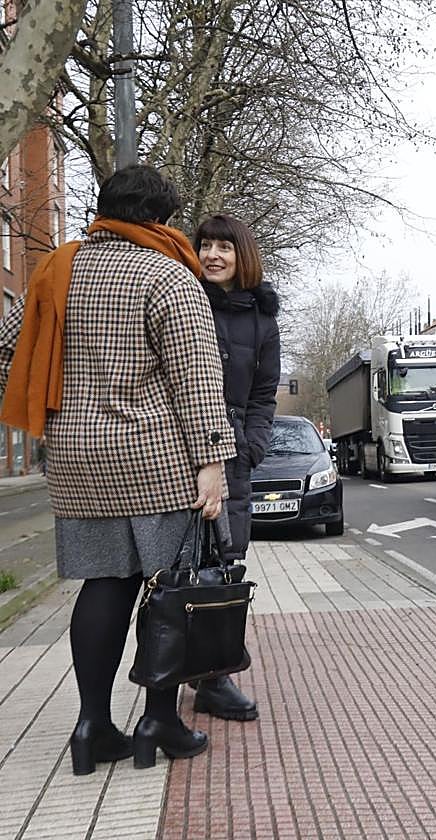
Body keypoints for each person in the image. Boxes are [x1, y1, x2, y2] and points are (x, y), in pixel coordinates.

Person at [0, 165, 236, 774]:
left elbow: (11, 346)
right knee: (169, 591)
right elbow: (197, 378)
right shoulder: (166, 275)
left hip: (76, 459)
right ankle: (159, 720)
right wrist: (212, 462)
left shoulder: (58, 269)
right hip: (155, 459)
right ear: (158, 218)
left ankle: (91, 728)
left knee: (102, 586)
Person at [190, 214, 280, 721]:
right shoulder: (183, 298)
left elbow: (265, 392)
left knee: (225, 564)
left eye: (225, 247)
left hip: (234, 454)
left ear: (241, 256)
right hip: (176, 449)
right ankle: (178, 668)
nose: (213, 255)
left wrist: (253, 446)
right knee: (180, 565)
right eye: (206, 245)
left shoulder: (262, 322)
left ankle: (215, 678)